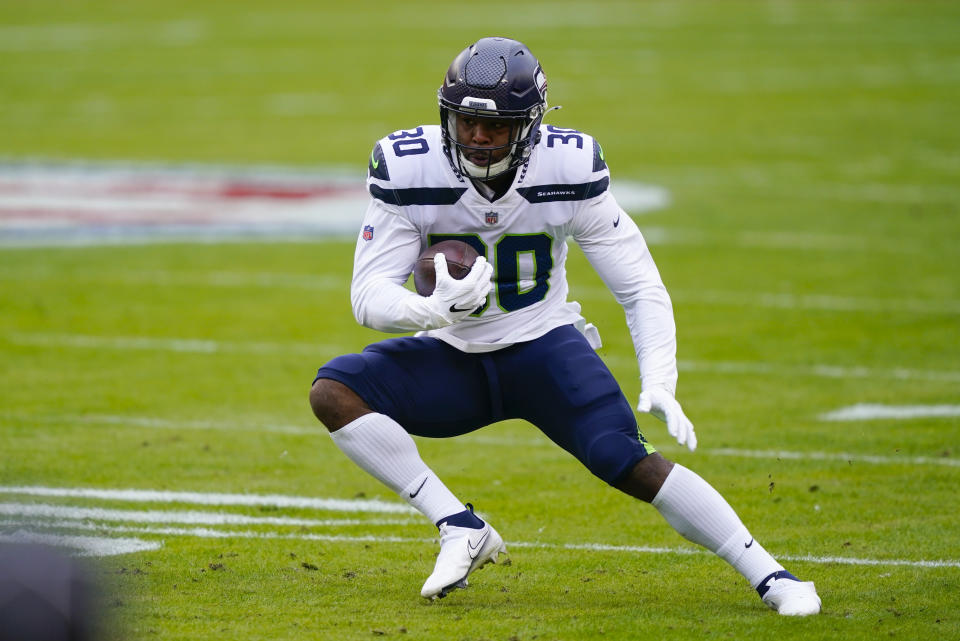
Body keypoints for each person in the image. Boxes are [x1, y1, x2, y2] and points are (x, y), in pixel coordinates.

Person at [309, 36, 821, 615]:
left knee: (625, 458)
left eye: (495, 126)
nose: (477, 138)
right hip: (453, 353)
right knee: (335, 390)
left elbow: (639, 286)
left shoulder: (568, 166)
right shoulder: (409, 167)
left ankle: (770, 575)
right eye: (466, 122)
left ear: (528, 126)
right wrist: (430, 311)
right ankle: (458, 524)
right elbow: (367, 295)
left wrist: (660, 378)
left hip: (544, 347)